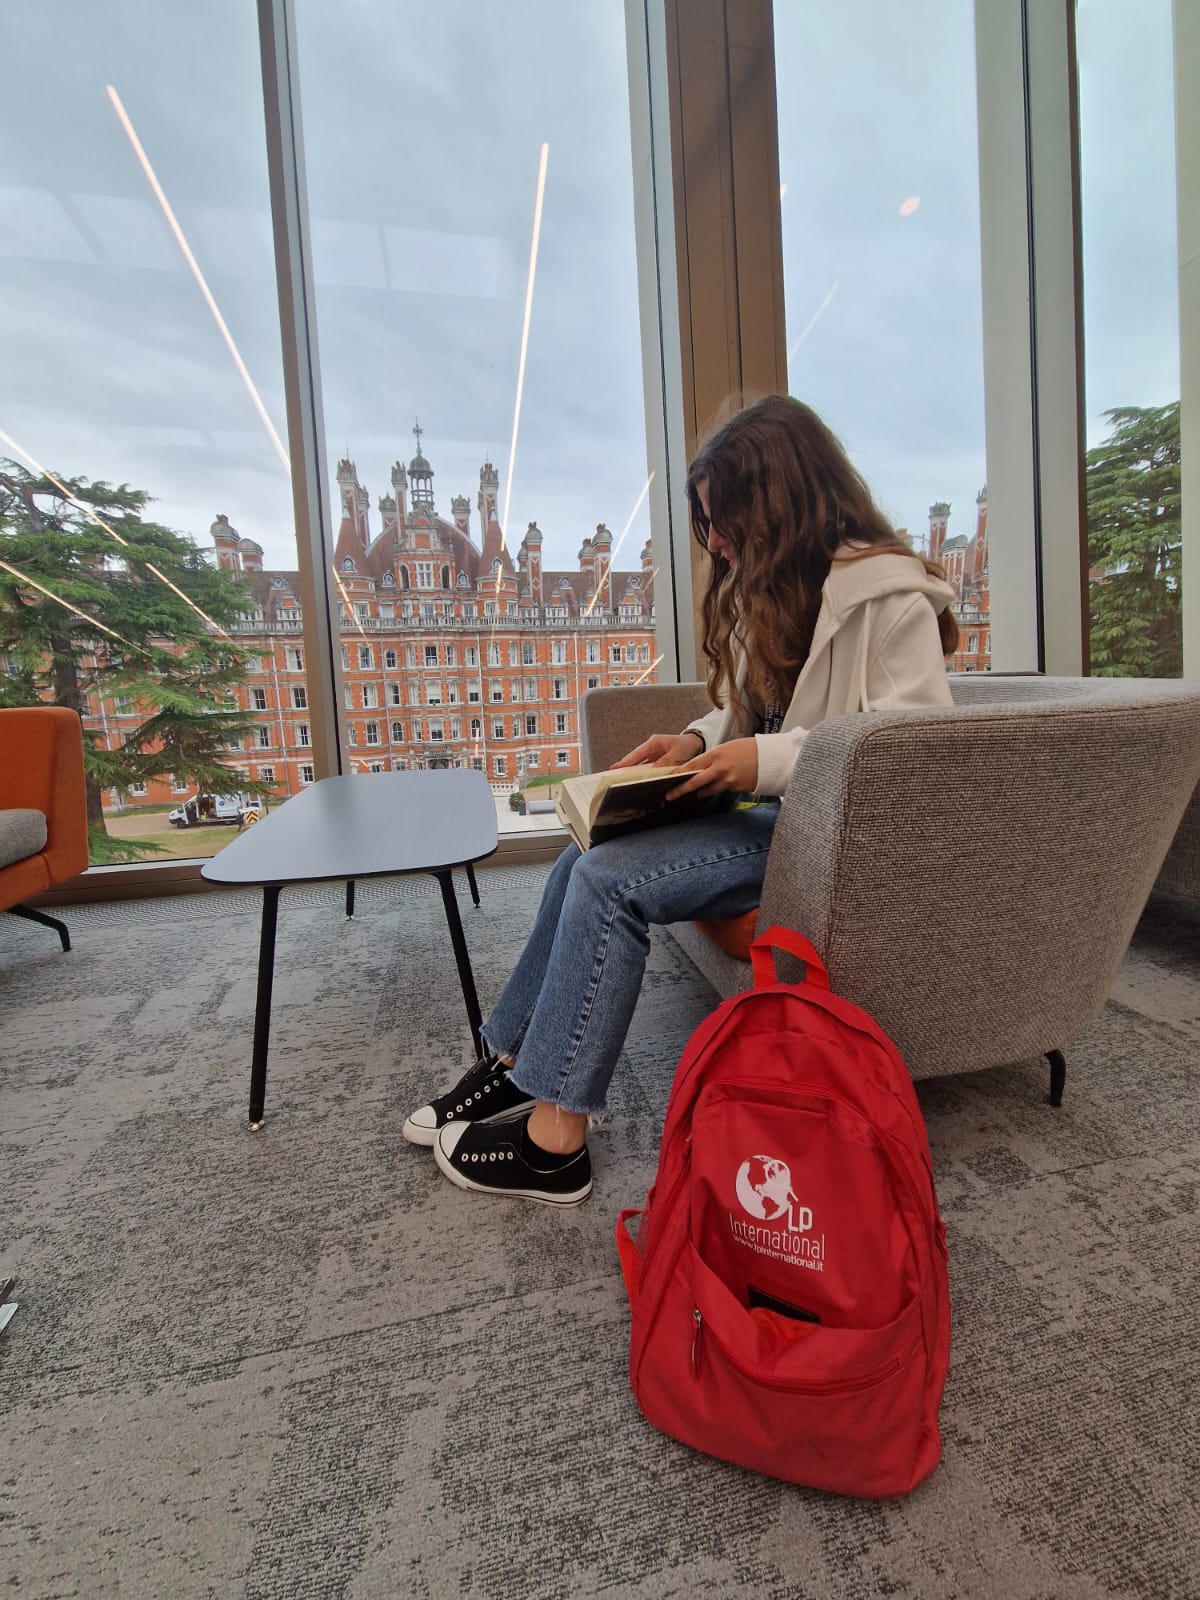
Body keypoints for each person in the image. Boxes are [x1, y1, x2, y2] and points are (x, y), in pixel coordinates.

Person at [402, 395, 959, 1204]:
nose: (718, 541)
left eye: (726, 518)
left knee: (610, 885)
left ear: (782, 499)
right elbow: (750, 710)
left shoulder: (890, 600)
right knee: (583, 853)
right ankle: (514, 1065)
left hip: (828, 839)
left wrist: (758, 761)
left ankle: (555, 1145)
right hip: (768, 815)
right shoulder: (772, 585)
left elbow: (909, 756)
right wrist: (697, 744)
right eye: (709, 523)